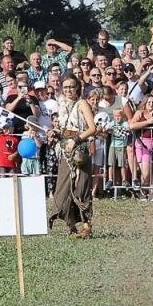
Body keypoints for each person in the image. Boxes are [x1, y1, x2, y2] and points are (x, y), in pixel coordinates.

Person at [47, 77, 98, 237]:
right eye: (66, 87)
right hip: (65, 149)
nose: (68, 90)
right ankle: (71, 226)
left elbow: (92, 128)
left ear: (78, 88)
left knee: (81, 188)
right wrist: (54, 133)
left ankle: (86, 226)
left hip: (80, 149)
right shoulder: (62, 104)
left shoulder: (82, 103)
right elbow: (63, 128)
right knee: (62, 190)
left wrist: (75, 140)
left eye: (72, 87)